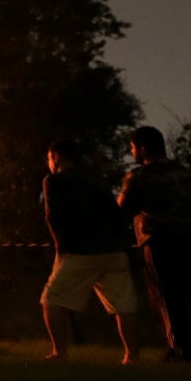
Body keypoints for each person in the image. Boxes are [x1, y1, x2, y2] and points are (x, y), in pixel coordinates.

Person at [118, 125, 191, 363]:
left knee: (167, 298)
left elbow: (122, 210)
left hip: (158, 243)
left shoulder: (139, 176)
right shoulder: (184, 173)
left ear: (142, 148)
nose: (132, 152)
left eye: (133, 148)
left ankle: (180, 350)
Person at [40, 141, 141, 363]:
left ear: (56, 157)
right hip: (113, 252)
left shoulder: (54, 181)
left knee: (52, 299)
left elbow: (53, 216)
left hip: (80, 252)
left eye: (49, 158)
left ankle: (59, 352)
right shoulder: (96, 180)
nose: (48, 163)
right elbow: (116, 214)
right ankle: (131, 355)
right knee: (123, 305)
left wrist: (60, 247)